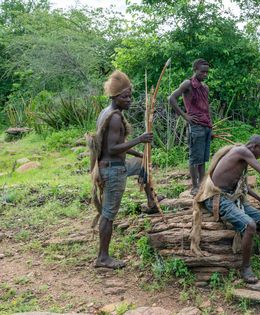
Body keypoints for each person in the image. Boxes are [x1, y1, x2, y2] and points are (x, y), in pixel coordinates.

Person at [190, 135, 260, 284]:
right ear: (254, 147)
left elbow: (244, 186)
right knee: (250, 225)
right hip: (217, 198)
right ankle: (245, 268)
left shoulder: (241, 154)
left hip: (231, 197)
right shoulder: (243, 151)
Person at [88, 70, 157, 269]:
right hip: (113, 171)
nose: (129, 100)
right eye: (125, 96)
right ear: (115, 97)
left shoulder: (106, 112)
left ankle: (151, 201)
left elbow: (116, 144)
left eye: (130, 95)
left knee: (145, 167)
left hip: (112, 166)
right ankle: (103, 258)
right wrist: (141, 139)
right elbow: (112, 148)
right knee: (108, 214)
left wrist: (139, 155)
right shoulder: (115, 117)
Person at [168, 59, 212, 195]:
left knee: (203, 158)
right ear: (195, 70)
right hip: (196, 126)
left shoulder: (205, 87)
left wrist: (211, 126)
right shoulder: (188, 84)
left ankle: (202, 184)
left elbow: (206, 108)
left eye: (207, 72)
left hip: (206, 126)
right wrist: (185, 116)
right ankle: (195, 186)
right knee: (194, 157)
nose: (205, 74)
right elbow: (171, 98)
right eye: (202, 71)